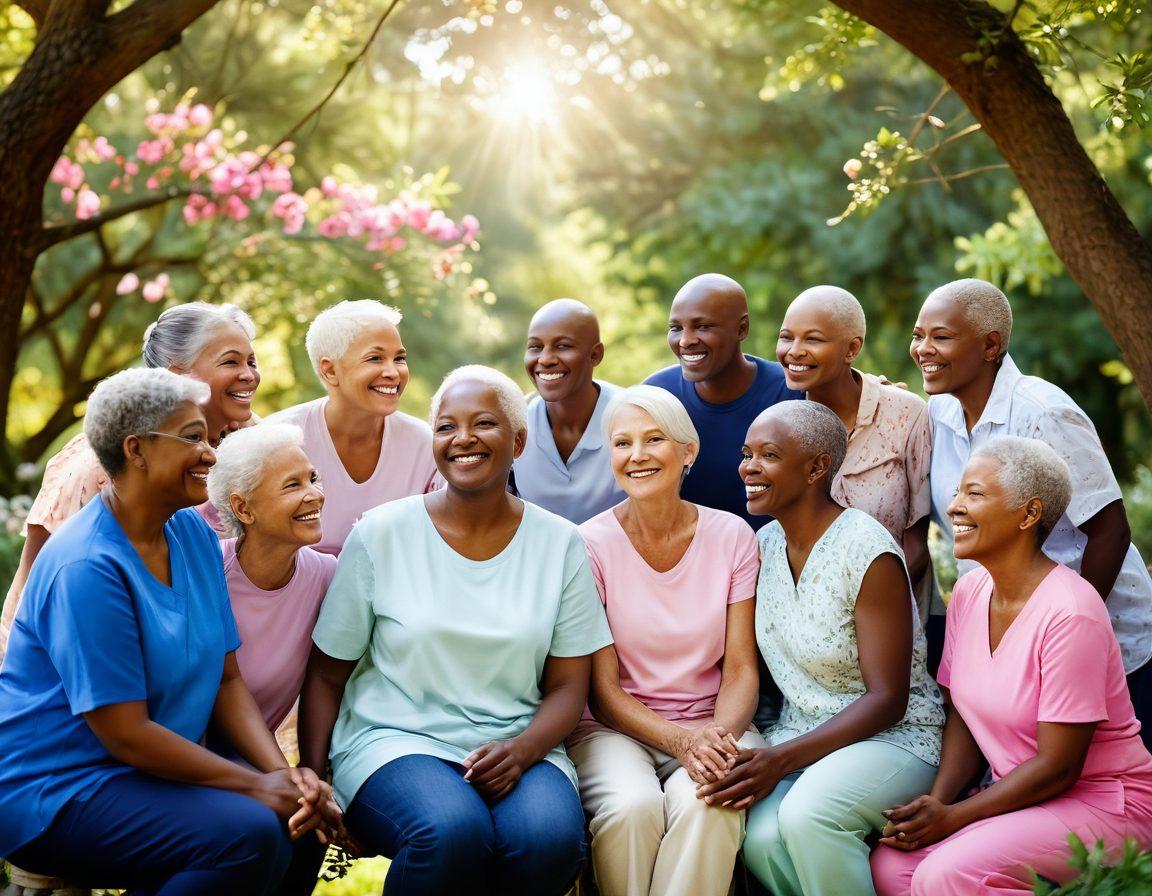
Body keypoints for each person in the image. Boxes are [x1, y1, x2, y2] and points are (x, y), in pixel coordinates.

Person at [0, 369, 323, 896]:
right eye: (192, 437)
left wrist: (282, 777)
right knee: (246, 835)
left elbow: (226, 680)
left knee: (300, 826)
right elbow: (125, 732)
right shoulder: (87, 566)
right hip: (58, 789)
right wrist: (255, 785)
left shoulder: (191, 530)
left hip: (141, 774)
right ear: (137, 450)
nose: (211, 453)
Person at [299, 365, 613, 896]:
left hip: (517, 741)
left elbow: (568, 686)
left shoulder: (560, 544)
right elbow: (327, 674)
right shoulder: (381, 533)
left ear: (518, 441)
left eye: (483, 423)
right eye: (446, 427)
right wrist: (313, 778)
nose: (462, 438)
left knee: (549, 840)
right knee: (450, 830)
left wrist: (524, 749)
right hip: (393, 741)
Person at [871, 437, 1152, 895]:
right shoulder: (969, 591)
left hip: (1104, 802)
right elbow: (964, 715)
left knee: (947, 874)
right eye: (959, 492)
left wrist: (955, 818)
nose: (956, 507)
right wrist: (935, 804)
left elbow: (1059, 766)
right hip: (1024, 798)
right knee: (892, 868)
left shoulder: (1071, 612)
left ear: (1028, 514)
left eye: (975, 494)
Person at [697, 401, 943, 896]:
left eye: (768, 455)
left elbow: (887, 699)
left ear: (816, 468)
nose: (748, 467)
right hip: (799, 735)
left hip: (895, 738)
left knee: (811, 818)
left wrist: (780, 759)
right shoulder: (762, 545)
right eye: (747, 453)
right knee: (762, 838)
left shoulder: (867, 551)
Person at [912, 278, 1152, 732]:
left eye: (940, 336)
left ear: (990, 345)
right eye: (917, 335)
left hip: (1108, 642)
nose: (923, 348)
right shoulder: (938, 413)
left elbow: (1110, 530)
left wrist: (1074, 635)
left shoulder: (1042, 413)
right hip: (1008, 645)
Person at [569, 385, 763, 896]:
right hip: (614, 729)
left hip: (715, 724)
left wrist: (715, 741)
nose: (636, 456)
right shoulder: (588, 546)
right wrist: (681, 741)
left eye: (654, 439)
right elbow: (602, 690)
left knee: (712, 801)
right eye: (622, 443)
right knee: (631, 808)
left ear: (687, 451)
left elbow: (741, 668)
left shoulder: (733, 537)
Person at [1, 301, 261, 653]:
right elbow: (44, 584)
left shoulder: (246, 438)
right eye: (231, 361)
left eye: (251, 361)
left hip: (209, 651)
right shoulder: (104, 464)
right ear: (176, 376)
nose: (249, 374)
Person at [207, 421, 341, 896]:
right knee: (287, 815)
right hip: (190, 760)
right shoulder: (204, 569)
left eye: (313, 479)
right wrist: (284, 777)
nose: (314, 495)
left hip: (259, 762)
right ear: (243, 507)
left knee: (308, 819)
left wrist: (306, 774)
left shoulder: (328, 578)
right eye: (293, 486)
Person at [777, 285, 931, 590]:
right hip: (808, 613)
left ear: (851, 349)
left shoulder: (905, 413)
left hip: (893, 606)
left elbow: (917, 543)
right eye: (786, 336)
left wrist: (865, 605)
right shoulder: (781, 422)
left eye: (813, 339)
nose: (794, 350)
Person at [267, 300, 437, 555]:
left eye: (399, 358)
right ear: (330, 371)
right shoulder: (278, 438)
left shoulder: (422, 443)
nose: (393, 372)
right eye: (375, 358)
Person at [644, 273, 801, 530]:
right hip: (689, 558)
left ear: (742, 329)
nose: (685, 340)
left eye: (703, 326)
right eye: (676, 328)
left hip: (778, 559)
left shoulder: (791, 391)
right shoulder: (658, 394)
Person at [512, 298, 626, 523]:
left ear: (595, 355)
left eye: (562, 346)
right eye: (535, 347)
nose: (545, 359)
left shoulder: (635, 415)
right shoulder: (513, 422)